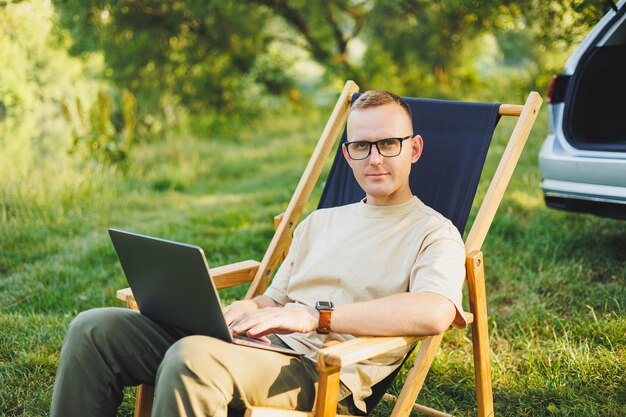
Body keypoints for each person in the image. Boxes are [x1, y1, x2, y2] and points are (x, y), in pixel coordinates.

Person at [50, 90, 466, 417]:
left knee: (192, 359)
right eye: (361, 146)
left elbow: (434, 312)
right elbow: (275, 298)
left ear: (414, 149)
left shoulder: (434, 233)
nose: (374, 159)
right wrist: (239, 312)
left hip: (319, 371)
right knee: (95, 329)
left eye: (388, 144)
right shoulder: (319, 223)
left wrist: (316, 318)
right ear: (347, 155)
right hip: (261, 347)